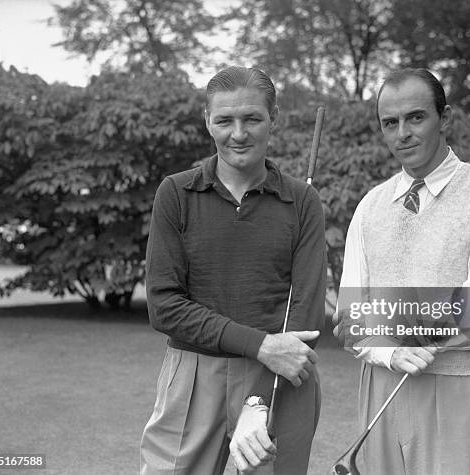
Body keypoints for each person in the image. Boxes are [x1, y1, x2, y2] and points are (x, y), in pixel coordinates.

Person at [333, 68, 470, 474]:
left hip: (459, 388)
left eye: (416, 117)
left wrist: (385, 321)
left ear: (445, 118)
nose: (402, 133)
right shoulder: (368, 207)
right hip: (380, 384)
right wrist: (390, 350)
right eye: (390, 122)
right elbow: (348, 319)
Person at [140, 66, 326, 474]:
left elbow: (307, 310)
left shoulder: (303, 200)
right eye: (224, 120)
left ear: (272, 119)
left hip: (282, 376)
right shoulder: (176, 193)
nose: (238, 133)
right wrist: (259, 345)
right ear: (208, 121)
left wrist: (261, 398)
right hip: (193, 374)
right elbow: (164, 306)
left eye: (252, 119)